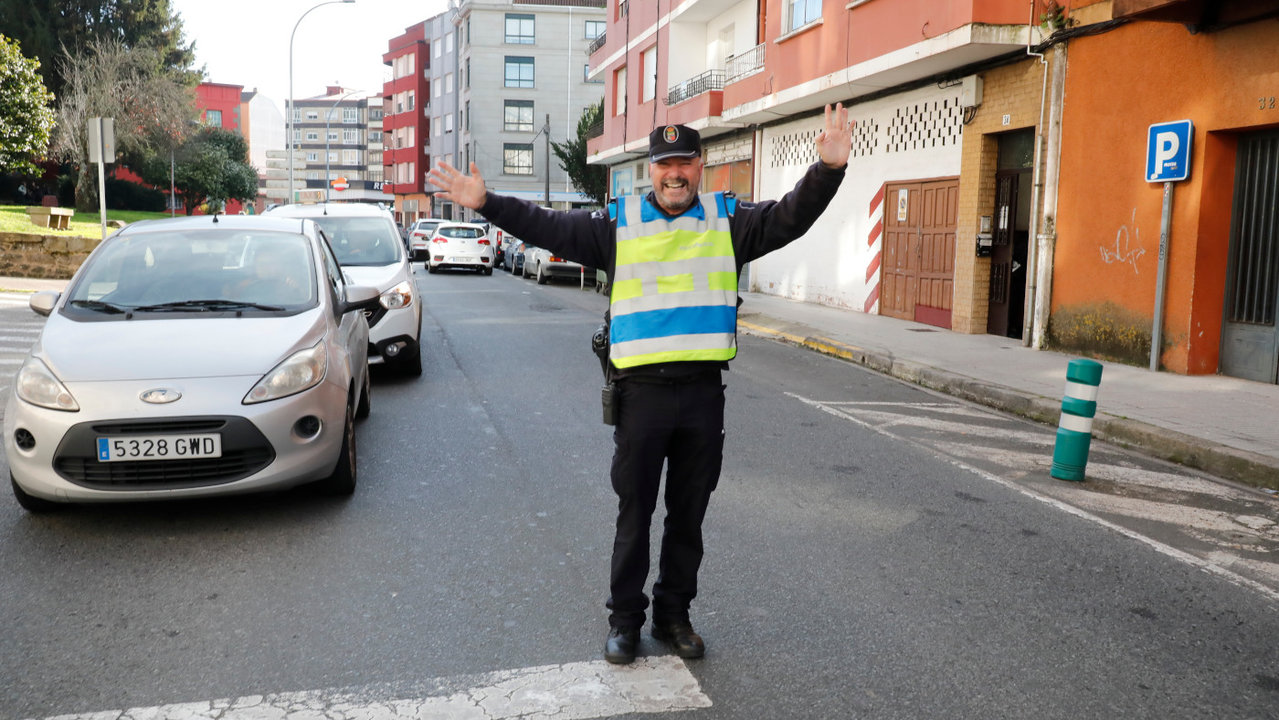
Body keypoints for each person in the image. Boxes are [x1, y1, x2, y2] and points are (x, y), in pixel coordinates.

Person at [427, 103, 853, 665]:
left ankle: (674, 617)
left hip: (702, 394)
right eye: (663, 163)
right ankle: (625, 621)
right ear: (650, 170)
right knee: (635, 513)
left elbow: (791, 217)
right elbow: (545, 224)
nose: (674, 173)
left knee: (688, 515)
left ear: (701, 167)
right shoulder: (616, 224)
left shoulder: (729, 221)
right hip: (640, 395)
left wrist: (826, 170)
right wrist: (486, 203)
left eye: (684, 162)